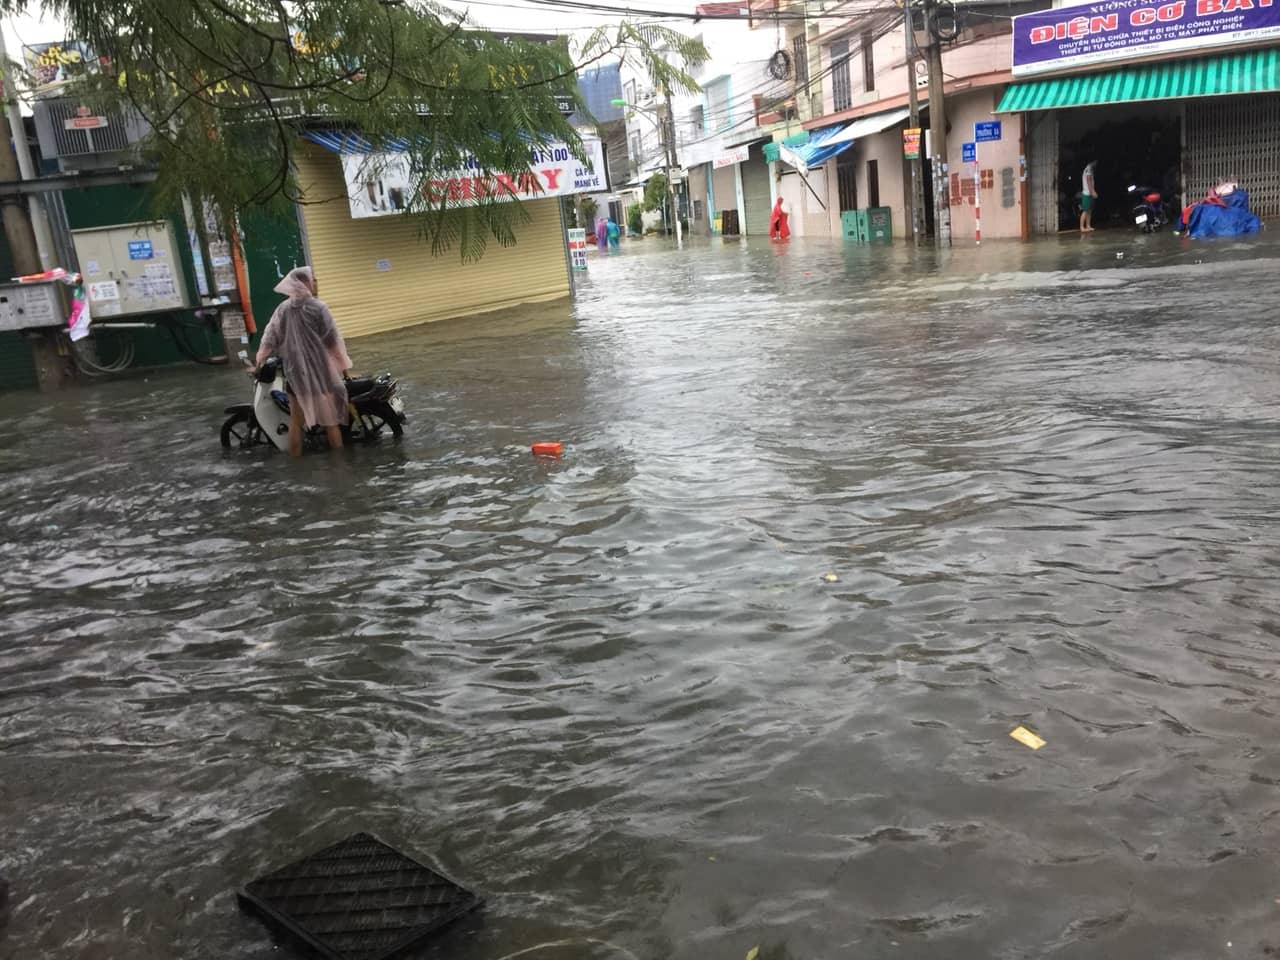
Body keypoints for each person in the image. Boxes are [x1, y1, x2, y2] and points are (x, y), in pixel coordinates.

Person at [255, 266, 353, 457]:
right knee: (331, 422)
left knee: (296, 423)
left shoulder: (282, 309)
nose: (316, 282)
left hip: (295, 373)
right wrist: (344, 368)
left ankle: (296, 467)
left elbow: (269, 338)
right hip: (322, 372)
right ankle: (341, 466)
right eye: (313, 279)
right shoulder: (319, 307)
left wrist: (260, 360)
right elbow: (333, 341)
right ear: (305, 283)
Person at [1080, 160, 1098, 233]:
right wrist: (1092, 192)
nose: (1097, 163)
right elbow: (1088, 180)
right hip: (1087, 193)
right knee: (1085, 211)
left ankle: (1088, 225)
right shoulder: (1089, 168)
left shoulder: (1090, 168)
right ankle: (1082, 227)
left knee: (1089, 210)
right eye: (1096, 162)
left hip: (1089, 193)